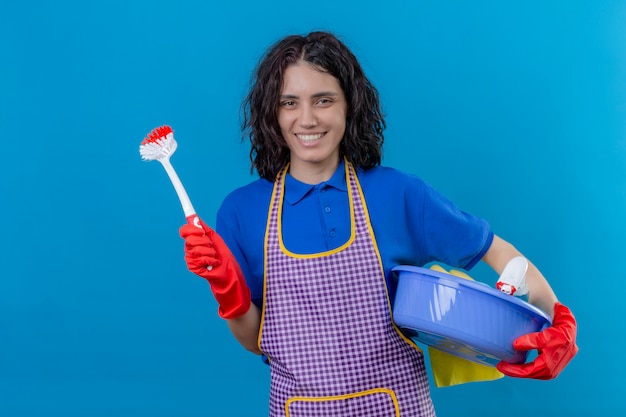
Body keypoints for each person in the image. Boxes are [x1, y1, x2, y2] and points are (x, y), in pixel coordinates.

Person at [179, 31, 578, 416]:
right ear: (272, 111)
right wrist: (228, 292)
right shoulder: (241, 212)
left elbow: (503, 255)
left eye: (323, 100)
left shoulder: (397, 193)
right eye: (289, 102)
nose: (306, 119)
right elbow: (256, 342)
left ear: (348, 105)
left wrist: (558, 321)